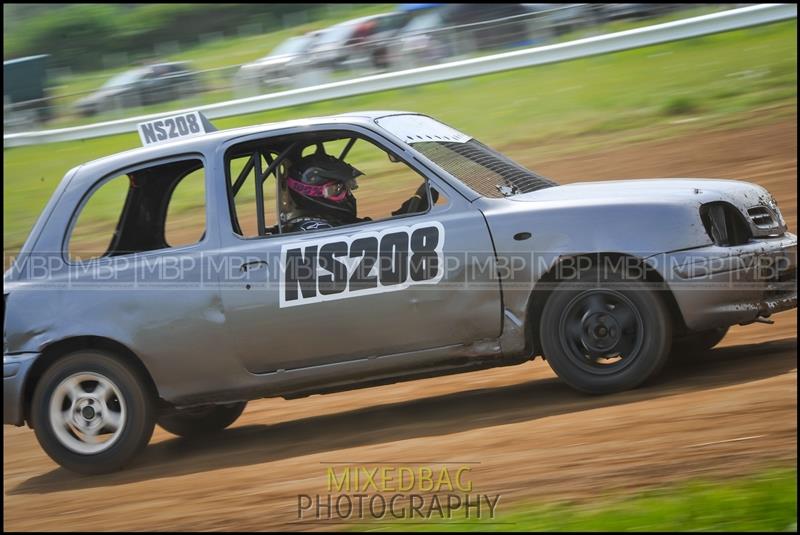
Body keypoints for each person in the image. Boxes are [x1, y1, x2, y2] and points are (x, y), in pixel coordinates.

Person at [284, 151, 364, 232]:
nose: (347, 194)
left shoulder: (336, 223)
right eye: (338, 189)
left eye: (349, 185)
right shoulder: (317, 229)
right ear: (313, 194)